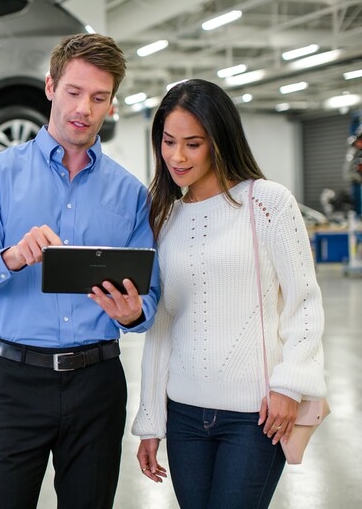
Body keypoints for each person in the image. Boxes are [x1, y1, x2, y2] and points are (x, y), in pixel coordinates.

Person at [0, 33, 160, 509]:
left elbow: (149, 301)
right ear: (50, 87)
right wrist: (12, 256)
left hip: (98, 384)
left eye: (99, 97)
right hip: (16, 382)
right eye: (74, 91)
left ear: (111, 104)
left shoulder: (130, 194)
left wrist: (130, 313)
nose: (84, 107)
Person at [131, 79, 327, 508]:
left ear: (220, 141)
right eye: (168, 141)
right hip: (183, 417)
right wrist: (151, 419)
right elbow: (163, 324)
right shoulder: (166, 218)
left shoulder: (268, 202)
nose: (177, 157)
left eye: (193, 144)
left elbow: (304, 303)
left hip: (254, 417)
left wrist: (290, 386)